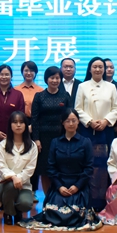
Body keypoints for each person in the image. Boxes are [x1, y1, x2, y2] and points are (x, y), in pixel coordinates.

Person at [19, 109, 103, 231]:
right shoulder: (55, 142)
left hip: (79, 185)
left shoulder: (85, 142)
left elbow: (89, 168)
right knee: (52, 212)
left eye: (74, 120)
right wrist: (59, 187)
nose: (71, 124)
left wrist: (77, 186)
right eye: (67, 121)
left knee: (76, 212)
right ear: (62, 123)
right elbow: (51, 168)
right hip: (60, 184)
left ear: (78, 122)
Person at [75, 57, 117, 211]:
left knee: (105, 164)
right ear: (90, 69)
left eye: (101, 67)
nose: (98, 69)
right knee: (88, 165)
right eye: (95, 67)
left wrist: (106, 121)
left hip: (106, 131)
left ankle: (104, 201)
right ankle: (88, 201)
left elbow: (116, 108)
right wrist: (90, 121)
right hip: (88, 130)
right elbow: (78, 108)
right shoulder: (82, 86)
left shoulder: (111, 87)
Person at [30, 66, 71, 204]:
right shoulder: (39, 96)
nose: (55, 80)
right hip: (43, 138)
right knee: (45, 170)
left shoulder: (65, 96)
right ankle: (48, 199)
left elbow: (70, 117)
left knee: (60, 167)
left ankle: (59, 198)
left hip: (61, 137)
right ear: (46, 79)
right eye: (52, 78)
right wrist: (36, 139)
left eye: (57, 78)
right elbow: (34, 119)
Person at [0, 64, 26, 182]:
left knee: (12, 162)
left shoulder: (18, 94)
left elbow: (21, 114)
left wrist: (14, 132)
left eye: (7, 74)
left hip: (14, 135)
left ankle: (12, 186)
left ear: (11, 76)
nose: (4, 77)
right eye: (1, 74)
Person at [0, 111, 38, 224]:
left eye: (21, 122)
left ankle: (17, 210)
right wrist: (13, 177)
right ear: (10, 125)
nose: (18, 125)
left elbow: (30, 169)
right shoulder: (2, 145)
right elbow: (1, 166)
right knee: (10, 186)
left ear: (26, 125)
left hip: (23, 185)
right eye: (15, 122)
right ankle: (9, 212)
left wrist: (19, 179)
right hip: (3, 185)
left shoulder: (32, 146)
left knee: (26, 204)